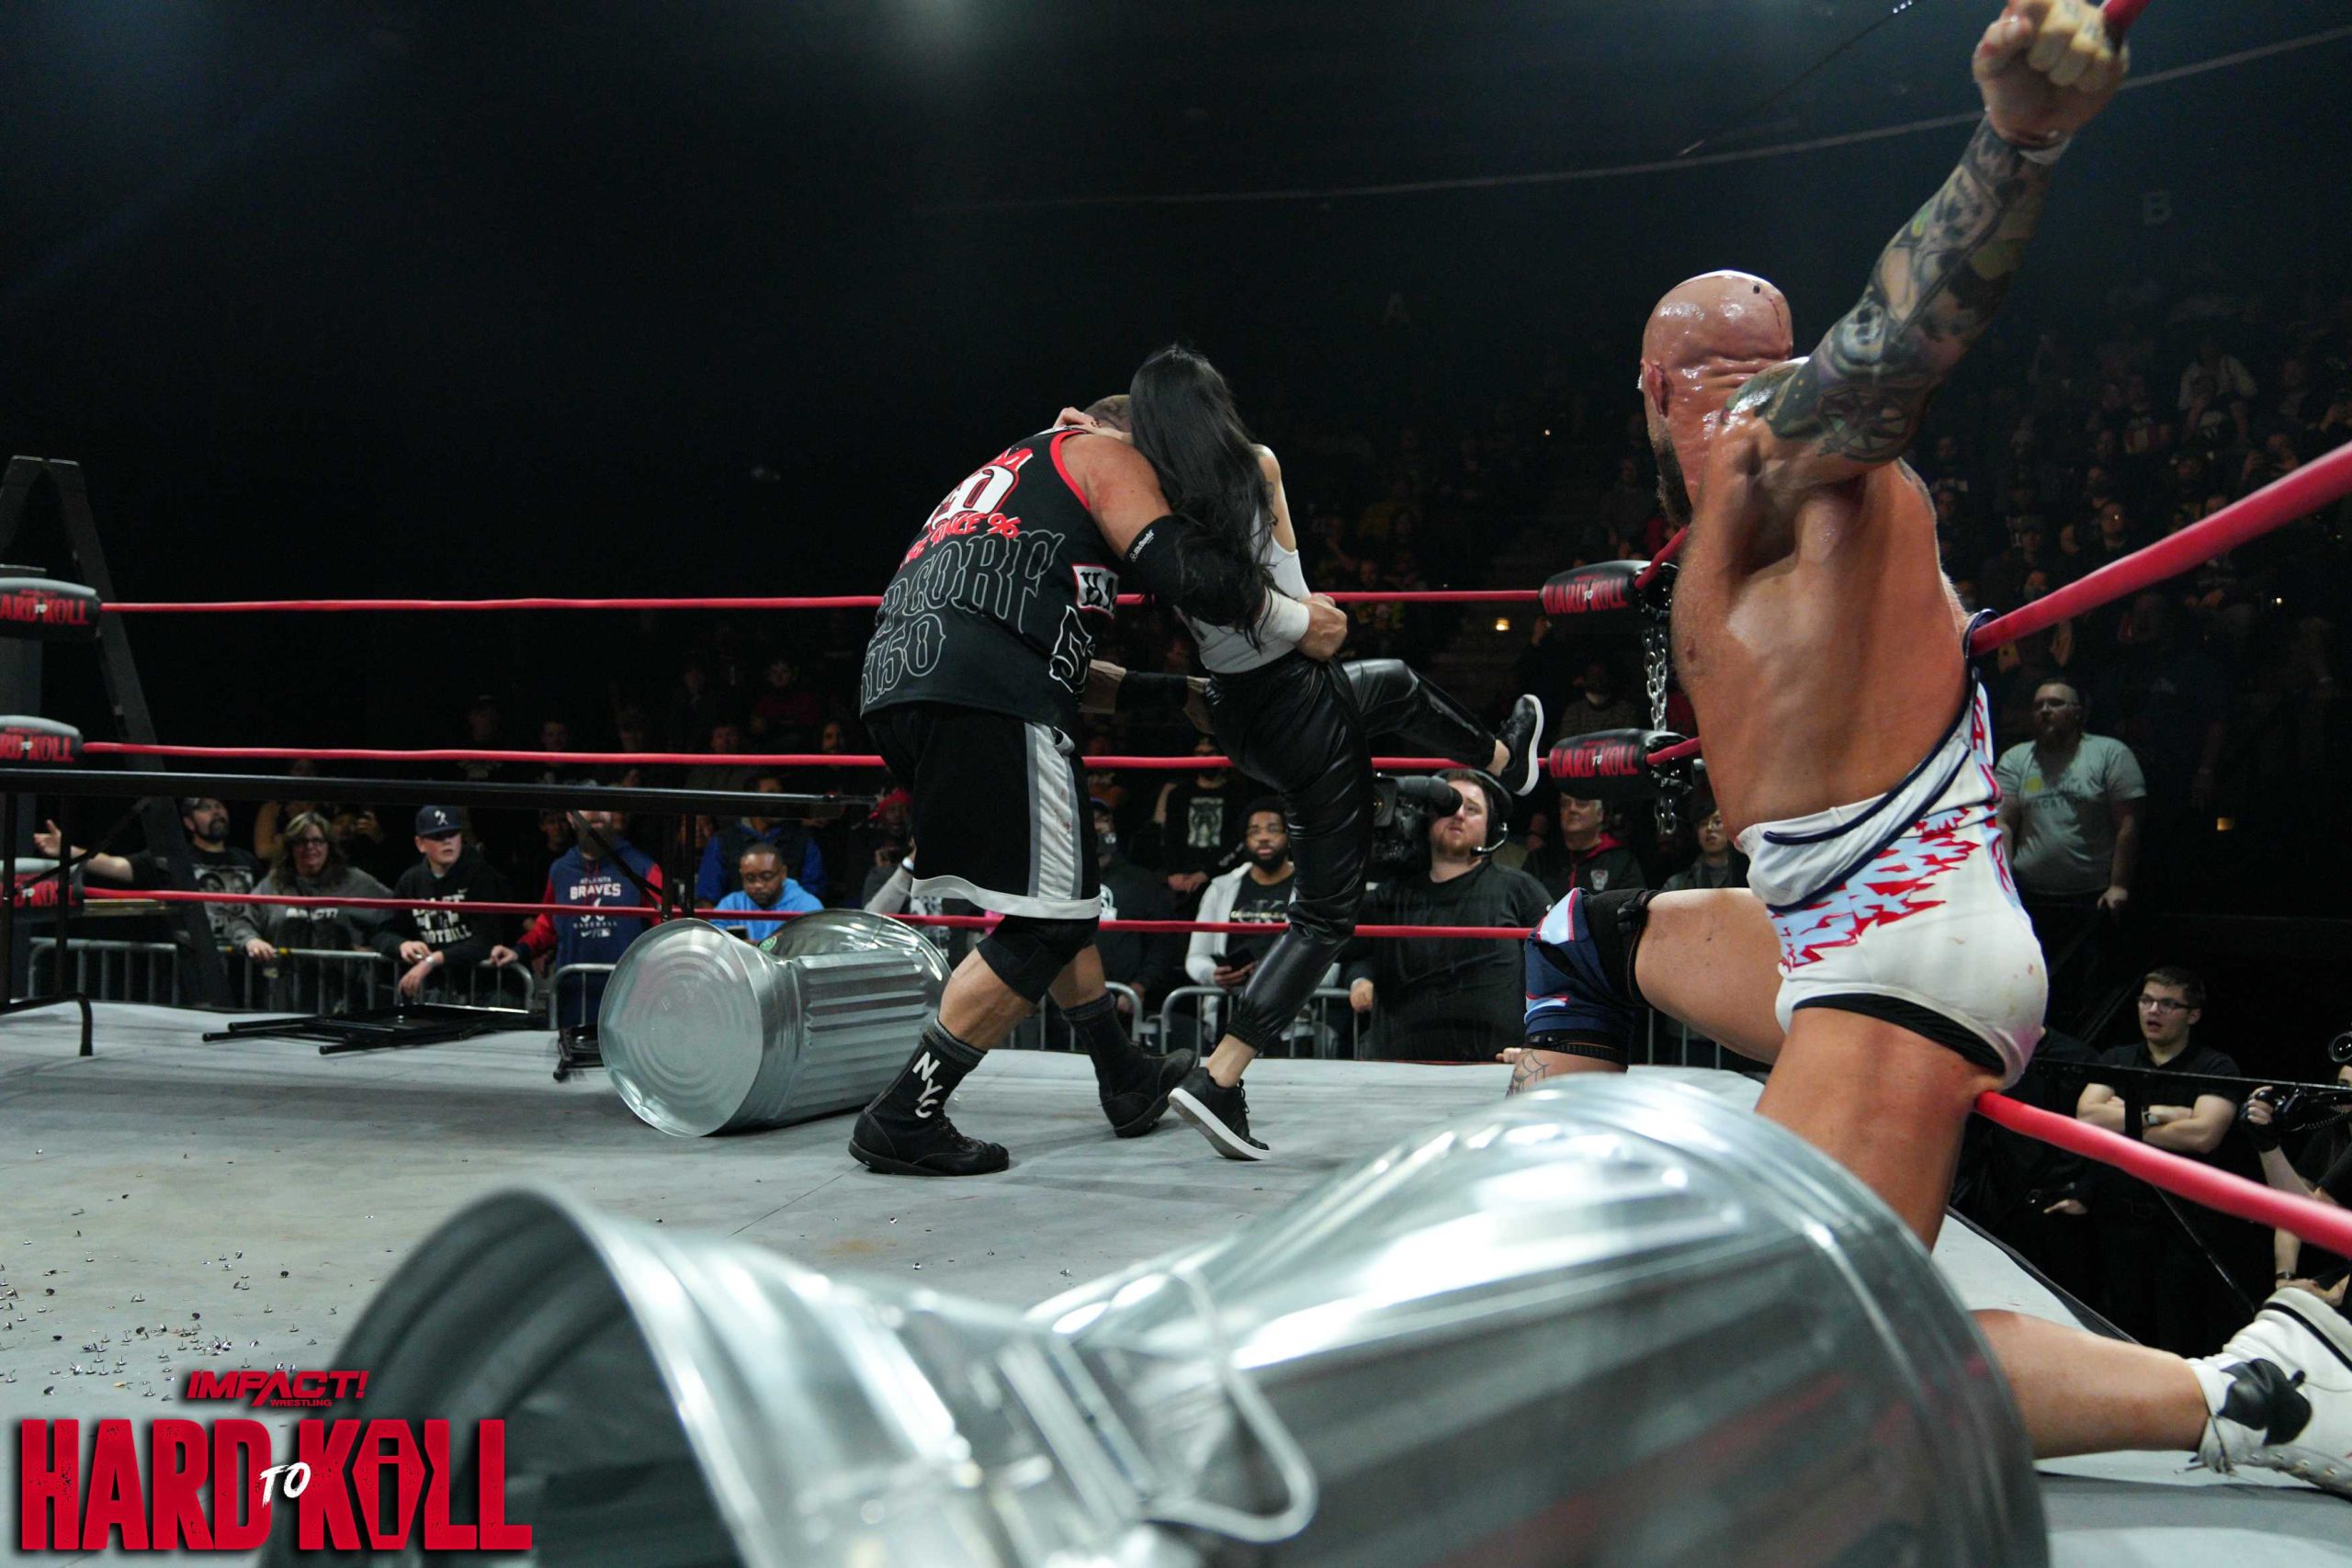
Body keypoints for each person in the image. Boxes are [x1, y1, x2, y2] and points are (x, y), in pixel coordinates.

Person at [1512, 4, 2348, 1494]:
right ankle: (1556, 1222)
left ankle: (2257, 1389)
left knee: (1796, 1365)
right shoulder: (1742, 514)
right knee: (1595, 929)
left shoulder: (1770, 447)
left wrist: (2015, 146)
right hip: (1816, 921)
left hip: (1903, 952)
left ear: (1648, 387)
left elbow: (1889, 355)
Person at [847, 399, 1341, 1176]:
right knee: (1048, 925)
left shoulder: (1016, 484)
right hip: (991, 694)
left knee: (1061, 900)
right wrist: (1299, 621)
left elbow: (1070, 665)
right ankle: (906, 1110)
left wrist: (1174, 696)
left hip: (906, 684)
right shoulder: (1099, 450)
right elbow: (1186, 571)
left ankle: (1124, 1076)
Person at [1077, 355, 1546, 1161]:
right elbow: (1292, 594)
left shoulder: (1148, 501)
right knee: (1325, 915)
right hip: (1297, 698)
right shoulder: (1254, 467)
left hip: (1238, 711)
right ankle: (1221, 1076)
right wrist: (1306, 614)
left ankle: (1503, 760)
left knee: (1393, 685)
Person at [2075, 968, 2265, 1353]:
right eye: (2146, 1001)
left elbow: (2203, 1136)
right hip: (2120, 1216)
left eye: (2167, 1004)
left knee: (2179, 1332)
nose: (2153, 1011)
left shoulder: (2215, 1066)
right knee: (2120, 1328)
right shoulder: (2117, 1057)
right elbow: (2087, 1117)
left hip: (2185, 1222)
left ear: (2193, 1014)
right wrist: (2164, 1114)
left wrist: (2124, 1118)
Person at [1343, 770, 1550, 1062]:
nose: (1459, 814)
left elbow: (1563, 967)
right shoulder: (1391, 895)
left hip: (1492, 1067)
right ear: (1426, 819)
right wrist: (1359, 979)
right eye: (1447, 805)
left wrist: (1542, 1044)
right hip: (1398, 1069)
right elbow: (1347, 946)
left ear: (1490, 826)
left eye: (1472, 809)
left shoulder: (1519, 890)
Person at [1996, 680, 2144, 1026]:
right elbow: (2003, 824)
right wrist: (2004, 884)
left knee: (2086, 987)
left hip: (2091, 896)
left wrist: (2119, 885)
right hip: (2033, 896)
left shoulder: (2109, 753)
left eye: (2055, 703)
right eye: (2038, 705)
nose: (2045, 711)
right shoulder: (2016, 758)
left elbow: (2128, 824)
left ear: (2077, 712)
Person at [509, 809, 663, 1031]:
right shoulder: (561, 870)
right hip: (574, 1000)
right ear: (570, 816)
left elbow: (665, 930)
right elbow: (548, 925)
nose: (594, 811)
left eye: (603, 804)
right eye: (586, 806)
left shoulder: (643, 867)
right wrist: (518, 951)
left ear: (613, 813)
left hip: (629, 1003)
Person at [246, 811, 397, 1005]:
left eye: (317, 841)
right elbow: (243, 920)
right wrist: (250, 940)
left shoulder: (355, 882)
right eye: (302, 841)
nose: (310, 847)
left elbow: (395, 916)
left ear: (329, 845)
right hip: (285, 992)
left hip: (344, 994)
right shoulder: (273, 884)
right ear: (291, 847)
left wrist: (376, 947)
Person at [369, 806, 514, 1000]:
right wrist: (402, 945)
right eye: (438, 836)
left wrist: (434, 959)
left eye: (452, 834)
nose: (447, 841)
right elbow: (382, 933)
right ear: (420, 844)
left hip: (485, 988)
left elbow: (487, 940)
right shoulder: (411, 881)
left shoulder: (481, 875)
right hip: (436, 991)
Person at [1185, 802, 1297, 995]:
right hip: (1229, 1002)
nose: (1263, 837)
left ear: (1289, 836)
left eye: (1273, 830)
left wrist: (1284, 977)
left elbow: (1329, 962)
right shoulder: (1221, 888)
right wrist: (1213, 974)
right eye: (1254, 831)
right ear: (1245, 840)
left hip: (1289, 1003)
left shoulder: (1311, 890)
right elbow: (1196, 957)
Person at [695, 772, 826, 905]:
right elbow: (707, 899)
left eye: (781, 794)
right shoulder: (723, 841)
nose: (780, 801)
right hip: (736, 917)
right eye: (772, 794)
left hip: (791, 916)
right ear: (752, 801)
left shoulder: (802, 840)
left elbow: (813, 894)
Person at [1529, 793, 1645, 901]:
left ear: (1599, 814)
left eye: (1581, 804)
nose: (1572, 809)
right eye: (1565, 804)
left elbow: (1633, 907)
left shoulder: (1621, 862)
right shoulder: (1539, 859)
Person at [708, 841, 820, 944]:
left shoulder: (808, 906)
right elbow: (712, 943)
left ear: (783, 873)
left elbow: (812, 948)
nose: (758, 885)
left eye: (766, 877)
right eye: (750, 878)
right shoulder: (730, 904)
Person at [1661, 798, 1747, 892]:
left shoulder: (1748, 877)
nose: (1709, 828)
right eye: (1703, 824)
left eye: (1717, 822)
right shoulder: (1677, 884)